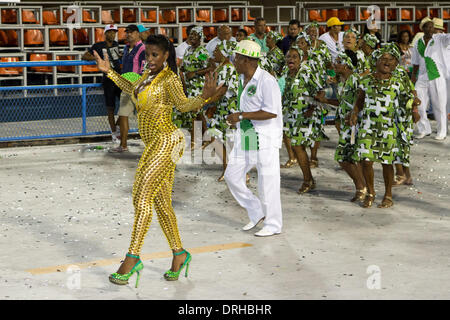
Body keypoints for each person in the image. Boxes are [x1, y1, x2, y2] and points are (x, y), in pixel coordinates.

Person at [93, 34, 220, 286]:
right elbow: (132, 89)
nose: (149, 59)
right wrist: (110, 73)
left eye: (155, 55)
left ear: (165, 56)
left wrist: (204, 98)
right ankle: (180, 254)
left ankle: (132, 258)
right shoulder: (144, 76)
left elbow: (183, 106)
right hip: (154, 143)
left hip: (167, 140)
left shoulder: (170, 78)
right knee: (161, 204)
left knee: (141, 197)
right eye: (147, 54)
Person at [224, 40, 283, 237]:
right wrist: (238, 118)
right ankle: (257, 212)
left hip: (265, 137)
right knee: (232, 175)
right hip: (247, 135)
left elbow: (271, 112)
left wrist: (241, 116)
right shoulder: (243, 80)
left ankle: (273, 224)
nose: (234, 62)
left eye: (237, 59)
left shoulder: (267, 81)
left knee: (267, 182)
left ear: (247, 60)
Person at [349, 45, 419, 208]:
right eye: (383, 59)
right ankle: (371, 192)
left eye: (391, 59)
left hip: (389, 127)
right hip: (368, 126)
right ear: (376, 61)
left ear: (396, 64)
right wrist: (354, 112)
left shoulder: (398, 82)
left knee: (387, 162)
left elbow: (409, 97)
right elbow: (360, 99)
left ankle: (388, 194)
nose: (387, 62)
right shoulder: (366, 80)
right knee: (366, 161)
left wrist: (414, 106)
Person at [282, 40, 326, 194]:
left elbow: (321, 92)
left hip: (307, 116)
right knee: (298, 147)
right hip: (292, 116)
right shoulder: (287, 74)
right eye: (288, 57)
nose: (291, 59)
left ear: (300, 59)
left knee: (298, 147)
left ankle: (308, 180)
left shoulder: (306, 73)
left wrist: (312, 107)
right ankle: (309, 179)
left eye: (294, 57)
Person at [331, 50, 367, 202]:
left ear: (346, 65)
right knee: (346, 157)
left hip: (354, 124)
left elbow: (363, 99)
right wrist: (324, 100)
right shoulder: (342, 81)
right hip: (345, 124)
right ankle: (361, 186)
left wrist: (354, 115)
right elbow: (341, 102)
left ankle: (362, 187)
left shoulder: (355, 79)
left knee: (347, 157)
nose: (335, 64)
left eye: (339, 62)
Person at [205, 40, 239, 181]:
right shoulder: (222, 67)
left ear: (224, 53)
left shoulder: (227, 69)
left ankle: (234, 171)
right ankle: (229, 169)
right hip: (221, 108)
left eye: (217, 50)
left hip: (228, 109)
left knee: (228, 141)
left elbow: (221, 91)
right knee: (216, 137)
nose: (214, 52)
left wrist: (205, 102)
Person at [109, 24, 146, 153]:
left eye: (131, 32)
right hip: (126, 87)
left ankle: (152, 144)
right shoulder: (125, 48)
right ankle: (123, 145)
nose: (128, 34)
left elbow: (145, 69)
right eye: (127, 32)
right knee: (123, 115)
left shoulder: (143, 49)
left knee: (146, 118)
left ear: (137, 34)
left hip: (141, 88)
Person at [411, 17, 450, 140]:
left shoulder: (439, 38)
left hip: (437, 76)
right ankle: (424, 129)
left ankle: (442, 131)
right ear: (422, 28)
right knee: (419, 103)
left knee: (439, 105)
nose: (430, 28)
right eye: (427, 26)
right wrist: (413, 77)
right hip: (422, 76)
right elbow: (416, 62)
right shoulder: (418, 42)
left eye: (432, 26)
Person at [82, 24, 122, 143]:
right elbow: (85, 55)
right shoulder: (98, 45)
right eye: (110, 32)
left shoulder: (116, 45)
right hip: (108, 79)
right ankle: (114, 132)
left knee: (126, 105)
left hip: (119, 79)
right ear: (105, 34)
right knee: (110, 108)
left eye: (114, 32)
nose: (112, 34)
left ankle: (117, 127)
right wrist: (97, 59)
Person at [177, 27, 211, 134]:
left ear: (200, 37)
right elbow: (187, 65)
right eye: (191, 34)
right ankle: (204, 137)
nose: (192, 36)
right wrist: (183, 69)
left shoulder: (201, 51)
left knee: (195, 111)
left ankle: (198, 138)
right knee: (196, 113)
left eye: (195, 34)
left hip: (198, 85)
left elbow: (209, 67)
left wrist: (195, 73)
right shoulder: (188, 50)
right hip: (188, 84)